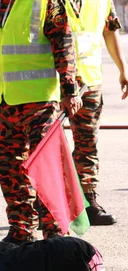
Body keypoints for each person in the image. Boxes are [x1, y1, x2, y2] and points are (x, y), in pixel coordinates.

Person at [0, 0, 83, 244]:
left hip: (40, 102)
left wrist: (70, 89)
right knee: (9, 168)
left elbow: (63, 42)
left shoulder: (43, 2)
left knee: (46, 169)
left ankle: (55, 233)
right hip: (3, 103)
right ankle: (21, 229)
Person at [66, 0, 127, 225]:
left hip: (89, 81)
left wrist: (123, 69)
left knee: (87, 144)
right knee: (48, 147)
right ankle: (49, 207)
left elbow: (110, 31)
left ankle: (88, 203)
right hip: (54, 83)